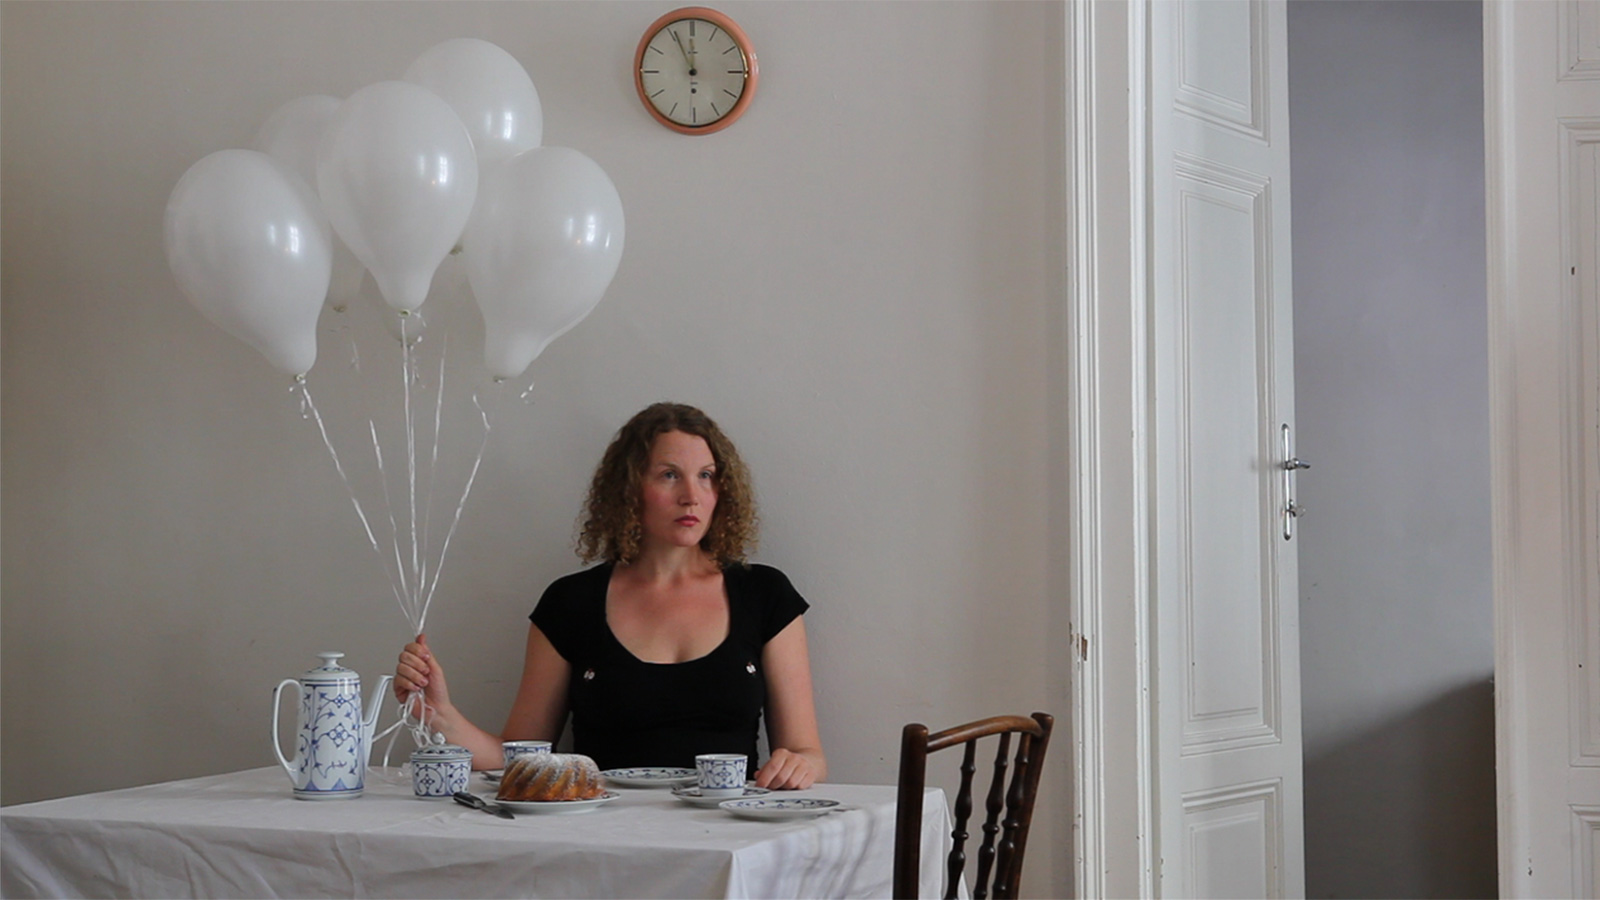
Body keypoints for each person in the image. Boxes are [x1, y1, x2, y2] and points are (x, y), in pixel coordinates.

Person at [394, 402, 826, 790]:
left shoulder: (764, 594)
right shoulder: (570, 602)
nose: (691, 496)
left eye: (706, 476)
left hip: (728, 830)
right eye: (669, 475)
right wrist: (439, 715)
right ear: (630, 489)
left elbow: (808, 753)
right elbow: (520, 758)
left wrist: (798, 766)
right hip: (602, 834)